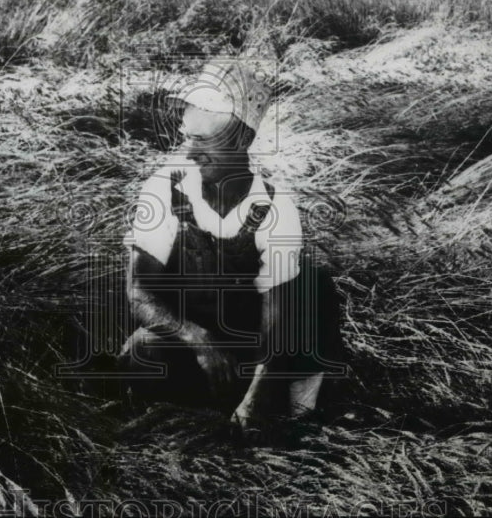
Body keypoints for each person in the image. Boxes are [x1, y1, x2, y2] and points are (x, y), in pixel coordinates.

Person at [118, 60, 344, 429]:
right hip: (188, 348)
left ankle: (300, 415)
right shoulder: (164, 188)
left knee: (312, 285)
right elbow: (139, 291)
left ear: (242, 140)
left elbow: (280, 317)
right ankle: (181, 421)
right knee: (143, 350)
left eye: (203, 141)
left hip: (251, 354)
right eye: (186, 136)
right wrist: (199, 339)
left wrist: (256, 395)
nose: (189, 152)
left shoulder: (274, 206)